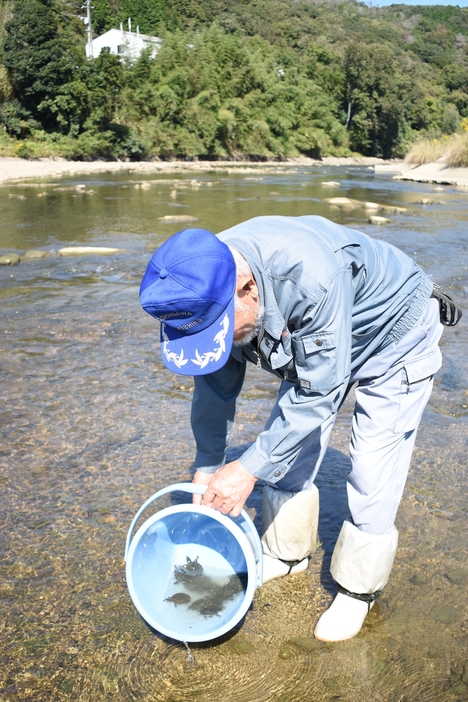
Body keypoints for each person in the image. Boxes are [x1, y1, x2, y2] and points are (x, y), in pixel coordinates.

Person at [139, 215, 461, 642]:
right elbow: (215, 388)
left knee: (372, 468)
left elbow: (318, 394)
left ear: (247, 289)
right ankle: (287, 554)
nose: (213, 340)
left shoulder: (310, 277)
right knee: (286, 442)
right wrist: (208, 462)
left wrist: (246, 469)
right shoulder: (200, 278)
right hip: (321, 330)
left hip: (393, 331)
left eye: (217, 331)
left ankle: (356, 590)